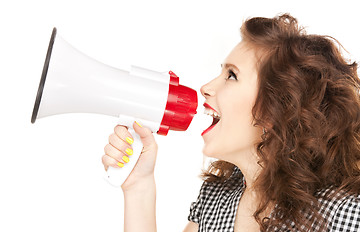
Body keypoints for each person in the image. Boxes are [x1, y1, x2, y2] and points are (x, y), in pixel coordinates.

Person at [101, 14, 360, 231]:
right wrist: (139, 187)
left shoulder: (344, 214)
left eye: (232, 75)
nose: (205, 88)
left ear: (277, 109)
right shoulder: (216, 198)